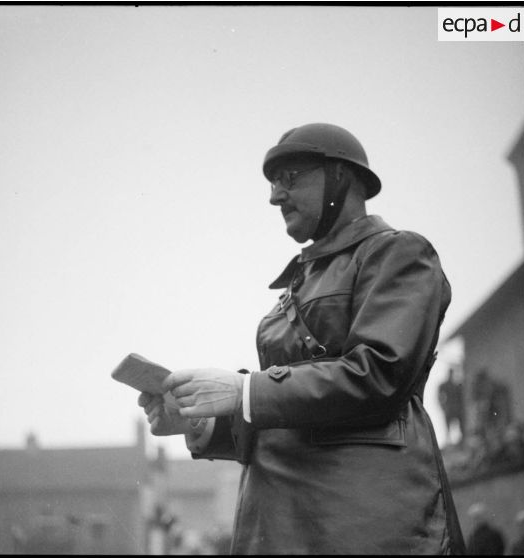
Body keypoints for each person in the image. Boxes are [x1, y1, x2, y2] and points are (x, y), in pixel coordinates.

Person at [138, 123, 466, 554]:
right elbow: (290, 413)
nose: (275, 196)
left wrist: (245, 390)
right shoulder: (299, 281)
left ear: (341, 177)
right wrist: (202, 420)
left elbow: (380, 373)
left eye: (289, 178)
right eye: (274, 183)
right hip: (283, 523)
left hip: (360, 523)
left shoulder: (398, 253)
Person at [438, 367, 465, 444]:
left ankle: (460, 442)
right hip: (449, 409)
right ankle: (448, 442)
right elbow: (440, 397)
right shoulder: (444, 385)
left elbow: (460, 398)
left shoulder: (456, 386)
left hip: (456, 409)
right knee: (447, 428)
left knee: (460, 426)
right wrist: (443, 407)